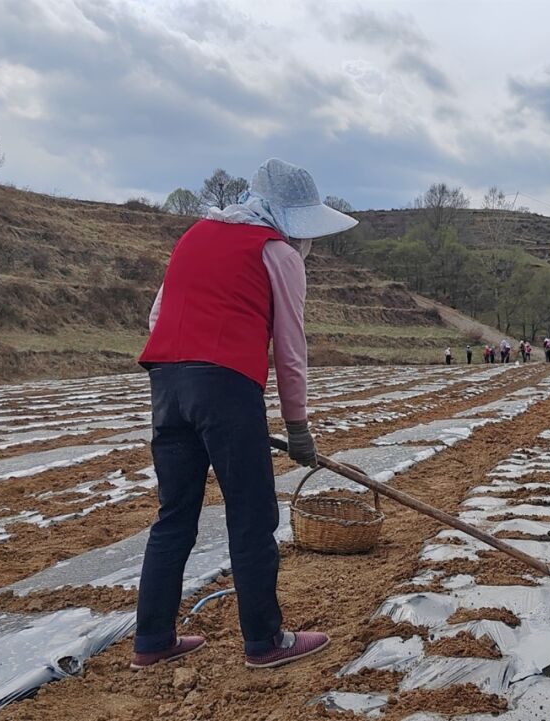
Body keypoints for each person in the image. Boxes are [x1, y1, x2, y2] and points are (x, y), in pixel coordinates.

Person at [134, 158, 357, 669]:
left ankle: (152, 641)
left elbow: (157, 316)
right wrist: (297, 427)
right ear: (287, 216)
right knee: (253, 516)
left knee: (174, 514)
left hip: (167, 383)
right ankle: (265, 641)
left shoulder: (194, 236)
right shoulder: (276, 251)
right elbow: (290, 348)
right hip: (227, 386)